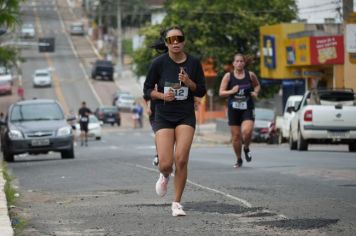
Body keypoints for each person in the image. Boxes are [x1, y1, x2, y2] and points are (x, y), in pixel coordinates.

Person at [143, 26, 206, 216]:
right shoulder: (158, 63)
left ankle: (176, 203)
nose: (176, 42)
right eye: (171, 40)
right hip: (163, 114)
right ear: (166, 43)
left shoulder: (194, 63)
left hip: (185, 114)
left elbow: (201, 91)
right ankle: (164, 175)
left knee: (182, 159)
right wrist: (162, 95)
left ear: (184, 41)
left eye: (179, 38)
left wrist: (189, 83)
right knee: (166, 164)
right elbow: (147, 91)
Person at [219, 53, 261, 168]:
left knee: (247, 131)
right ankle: (239, 159)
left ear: (244, 63)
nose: (239, 63)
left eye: (241, 61)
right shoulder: (228, 76)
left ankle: (246, 147)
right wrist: (231, 91)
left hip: (247, 107)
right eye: (236, 61)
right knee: (236, 136)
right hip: (233, 109)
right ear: (233, 63)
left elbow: (257, 86)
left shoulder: (250, 75)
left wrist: (255, 92)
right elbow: (221, 92)